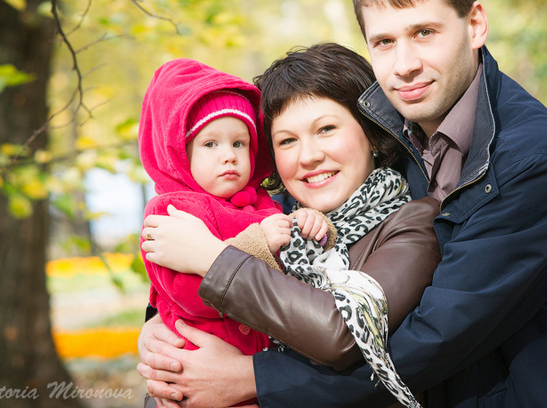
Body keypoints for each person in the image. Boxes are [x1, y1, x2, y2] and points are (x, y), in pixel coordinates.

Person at [139, 0, 547, 408]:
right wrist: (165, 326)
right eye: (385, 42)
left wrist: (249, 378)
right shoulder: (401, 135)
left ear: (475, 24)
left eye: (424, 33)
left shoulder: (532, 165)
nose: (405, 64)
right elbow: (254, 228)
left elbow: (430, 340)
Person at [140, 44, 441, 407]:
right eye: (286, 141)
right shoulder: (273, 218)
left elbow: (343, 333)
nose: (308, 156)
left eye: (326, 129)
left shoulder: (413, 222)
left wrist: (213, 258)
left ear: (371, 132)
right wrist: (161, 338)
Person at [137, 58, 333, 404]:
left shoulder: (262, 202)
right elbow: (187, 295)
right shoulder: (171, 211)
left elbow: (293, 275)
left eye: (239, 143)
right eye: (210, 144)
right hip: (200, 366)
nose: (229, 155)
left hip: (258, 371)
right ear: (179, 154)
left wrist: (313, 225)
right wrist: (253, 245)